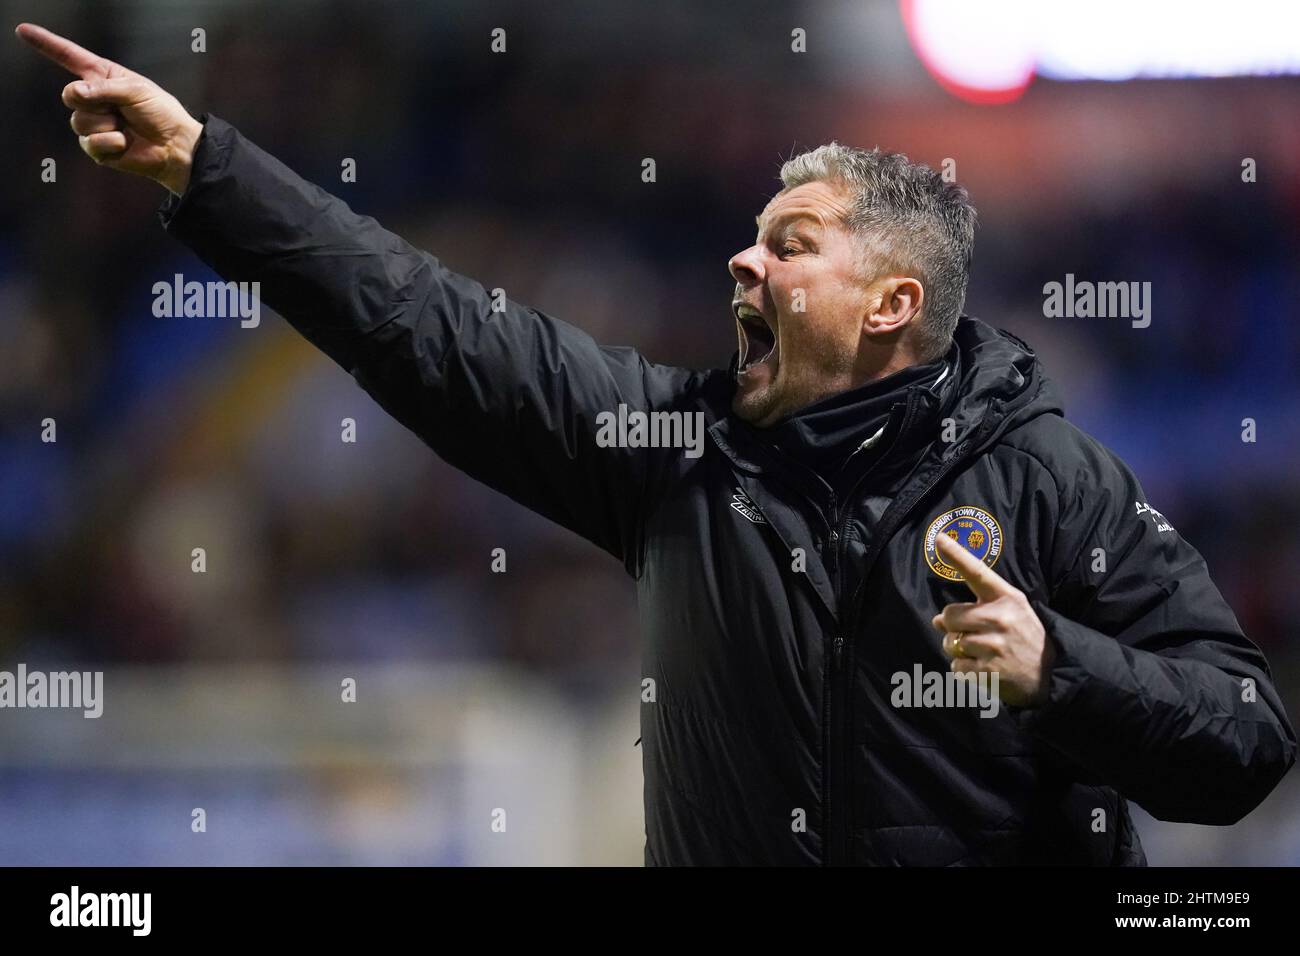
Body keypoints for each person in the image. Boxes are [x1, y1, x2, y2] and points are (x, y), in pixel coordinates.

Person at [18, 22, 1295, 866]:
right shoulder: (670, 454)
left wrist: (1059, 668)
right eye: (752, 231)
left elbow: (1244, 740)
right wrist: (208, 171)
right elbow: (426, 322)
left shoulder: (1054, 481)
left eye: (791, 242)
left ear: (892, 304)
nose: (743, 255)